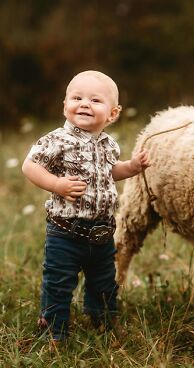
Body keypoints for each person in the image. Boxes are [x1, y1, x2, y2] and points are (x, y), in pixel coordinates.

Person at [21, 70, 150, 345]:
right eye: (76, 97)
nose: (84, 104)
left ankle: (101, 320)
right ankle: (54, 331)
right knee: (59, 283)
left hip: (102, 234)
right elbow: (29, 166)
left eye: (95, 100)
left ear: (113, 114)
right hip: (65, 233)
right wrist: (56, 184)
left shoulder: (108, 144)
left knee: (104, 283)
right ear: (65, 105)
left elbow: (110, 172)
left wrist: (133, 167)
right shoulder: (57, 140)